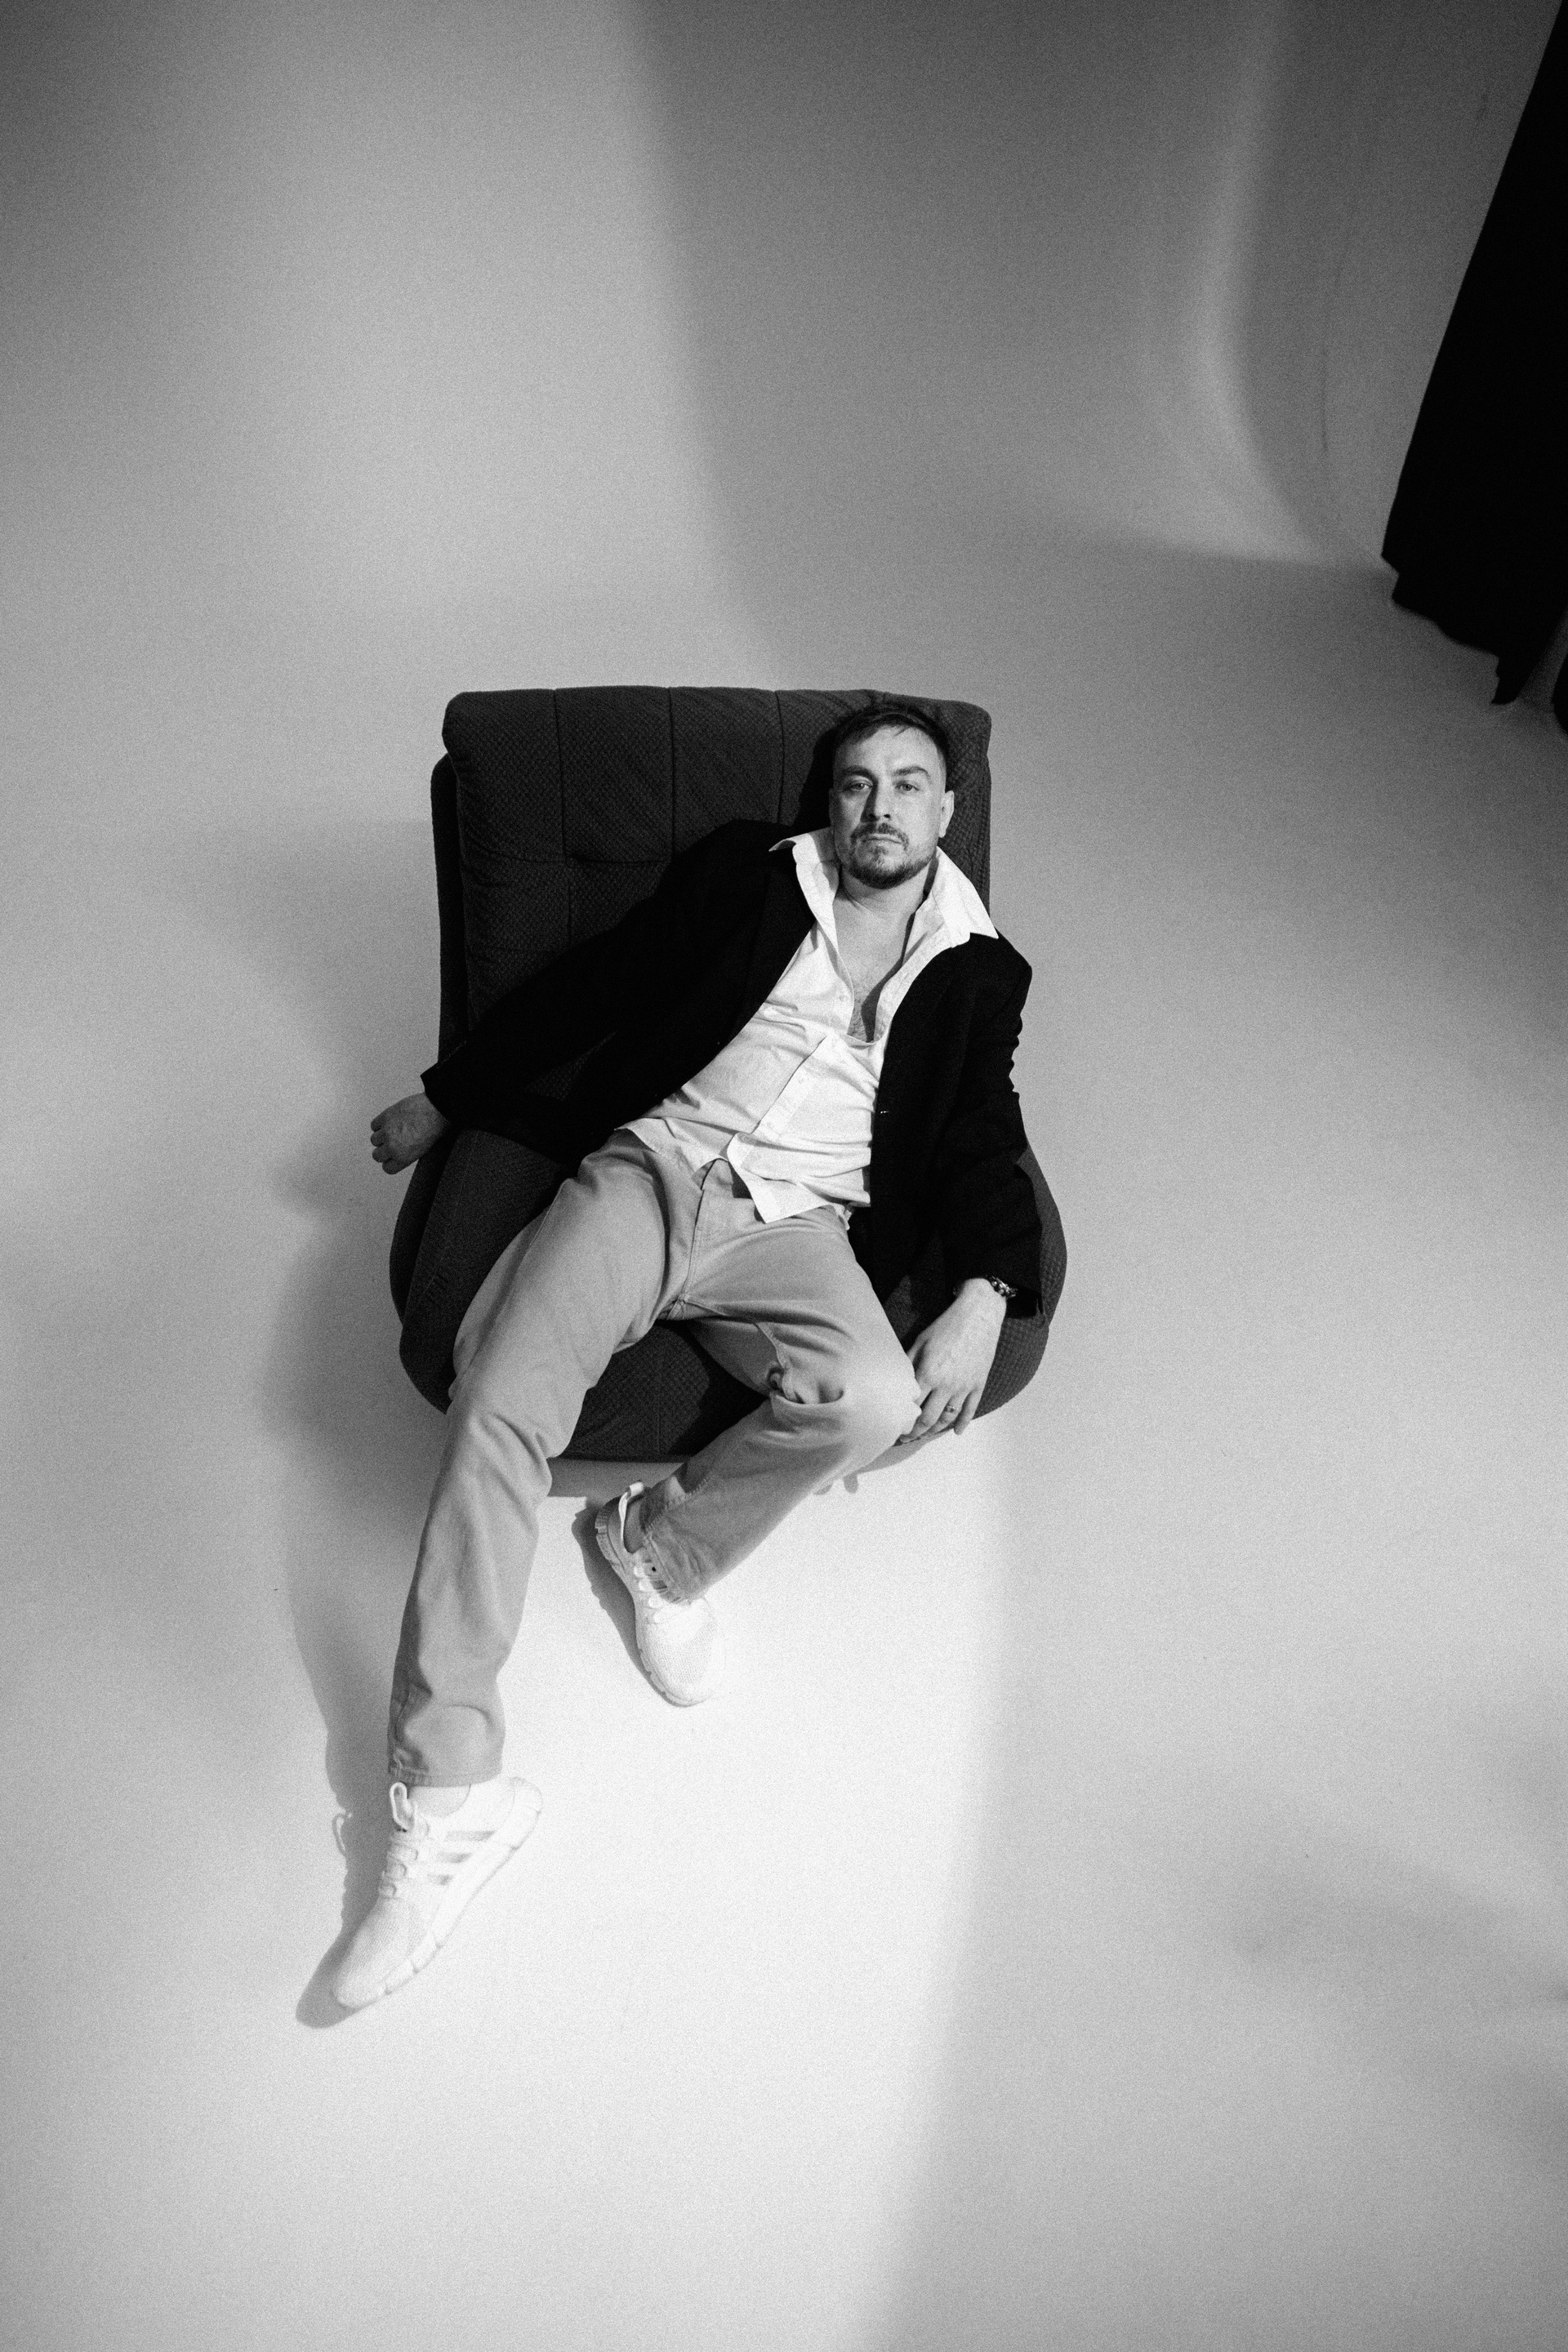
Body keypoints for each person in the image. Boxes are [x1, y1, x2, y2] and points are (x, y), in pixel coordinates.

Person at [330, 705, 1047, 2009]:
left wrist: (990, 1293)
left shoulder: (981, 970)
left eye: (909, 785)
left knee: (872, 1398)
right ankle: (449, 1796)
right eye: (856, 784)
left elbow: (981, 1133)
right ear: (831, 802)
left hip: (798, 1231)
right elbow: (602, 981)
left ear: (948, 812)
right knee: (499, 1407)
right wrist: (447, 1096)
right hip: (650, 1174)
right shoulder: (751, 876)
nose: (879, 806)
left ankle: (656, 1549)